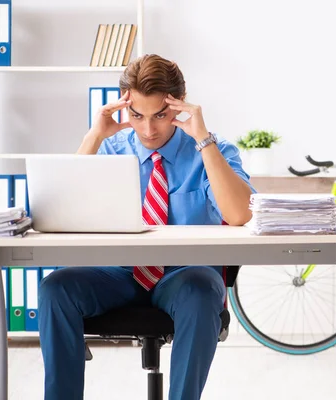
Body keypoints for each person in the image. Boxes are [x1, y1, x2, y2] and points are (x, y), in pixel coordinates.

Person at [37, 54, 255, 400]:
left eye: (161, 115)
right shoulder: (111, 149)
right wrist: (93, 137)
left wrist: (204, 140)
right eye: (137, 115)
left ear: (180, 106)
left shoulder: (213, 150)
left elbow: (241, 214)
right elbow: (60, 210)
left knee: (202, 286)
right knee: (56, 288)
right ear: (125, 107)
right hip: (116, 275)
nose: (148, 130)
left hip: (183, 277)